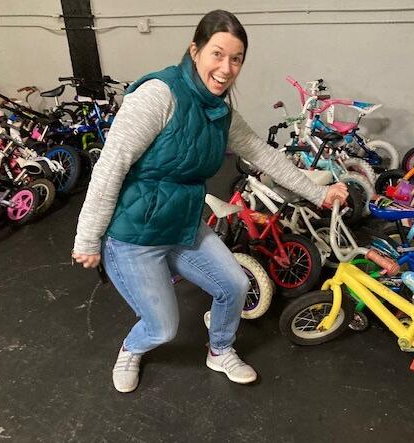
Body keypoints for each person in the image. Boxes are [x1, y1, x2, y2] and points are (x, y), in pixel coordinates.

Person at [72, 9, 348, 393]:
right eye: (217, 54)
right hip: (134, 236)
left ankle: (219, 349)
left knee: (234, 284)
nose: (226, 67)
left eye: (236, 59)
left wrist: (319, 192)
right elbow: (110, 166)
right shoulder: (159, 95)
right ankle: (132, 348)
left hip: (182, 225)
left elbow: (264, 155)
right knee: (162, 327)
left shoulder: (221, 113)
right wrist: (87, 239)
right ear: (195, 50)